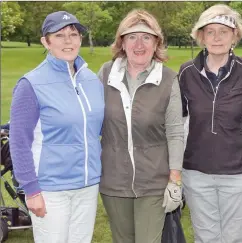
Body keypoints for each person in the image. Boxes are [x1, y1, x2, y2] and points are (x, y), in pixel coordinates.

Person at [9, 11, 104, 243]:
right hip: (50, 189)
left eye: (73, 34)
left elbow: (97, 131)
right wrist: (31, 190)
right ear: (46, 41)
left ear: (81, 39)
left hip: (87, 186)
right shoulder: (31, 84)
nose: (68, 40)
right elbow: (19, 142)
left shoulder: (91, 80)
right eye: (59, 35)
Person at [178, 4, 242, 243]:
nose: (217, 37)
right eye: (210, 31)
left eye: (224, 31)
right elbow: (177, 121)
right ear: (201, 36)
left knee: (236, 238)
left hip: (239, 172)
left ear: (234, 36)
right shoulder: (186, 72)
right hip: (196, 172)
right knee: (206, 237)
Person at [97, 9, 184, 243]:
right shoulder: (105, 74)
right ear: (122, 43)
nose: (139, 44)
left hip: (153, 181)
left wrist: (174, 179)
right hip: (113, 181)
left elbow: (176, 132)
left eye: (146, 37)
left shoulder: (168, 79)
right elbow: (92, 123)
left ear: (156, 43)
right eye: (132, 36)